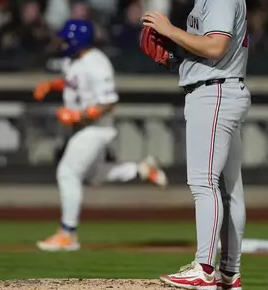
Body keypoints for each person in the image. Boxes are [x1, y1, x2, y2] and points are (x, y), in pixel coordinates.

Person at [140, 0, 250, 290]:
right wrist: (176, 60)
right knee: (228, 189)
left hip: (214, 94)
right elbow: (205, 52)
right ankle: (228, 273)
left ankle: (204, 267)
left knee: (203, 183)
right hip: (219, 87)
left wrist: (170, 30)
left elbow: (216, 48)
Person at [33, 19, 169, 252]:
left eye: (66, 38)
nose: (62, 42)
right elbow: (73, 82)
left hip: (96, 127)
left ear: (77, 40)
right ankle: (142, 170)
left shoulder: (97, 63)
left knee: (67, 173)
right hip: (85, 127)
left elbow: (109, 102)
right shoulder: (74, 60)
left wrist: (78, 116)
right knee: (95, 175)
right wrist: (52, 85)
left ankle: (68, 234)